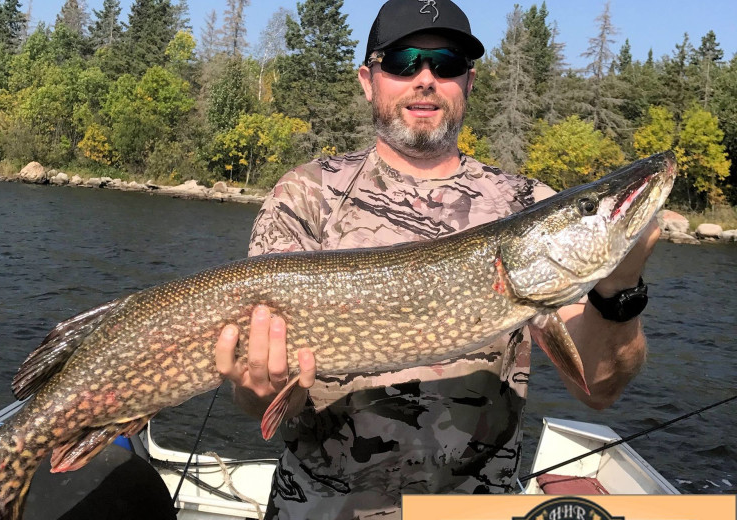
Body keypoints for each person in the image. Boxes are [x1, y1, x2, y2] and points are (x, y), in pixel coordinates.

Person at [215, 0, 659, 518]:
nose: (425, 78)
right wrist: (253, 391)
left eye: (446, 63)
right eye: (404, 61)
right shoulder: (306, 195)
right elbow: (261, 399)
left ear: (468, 82)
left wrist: (618, 291)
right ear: (368, 80)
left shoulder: (527, 204)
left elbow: (600, 388)